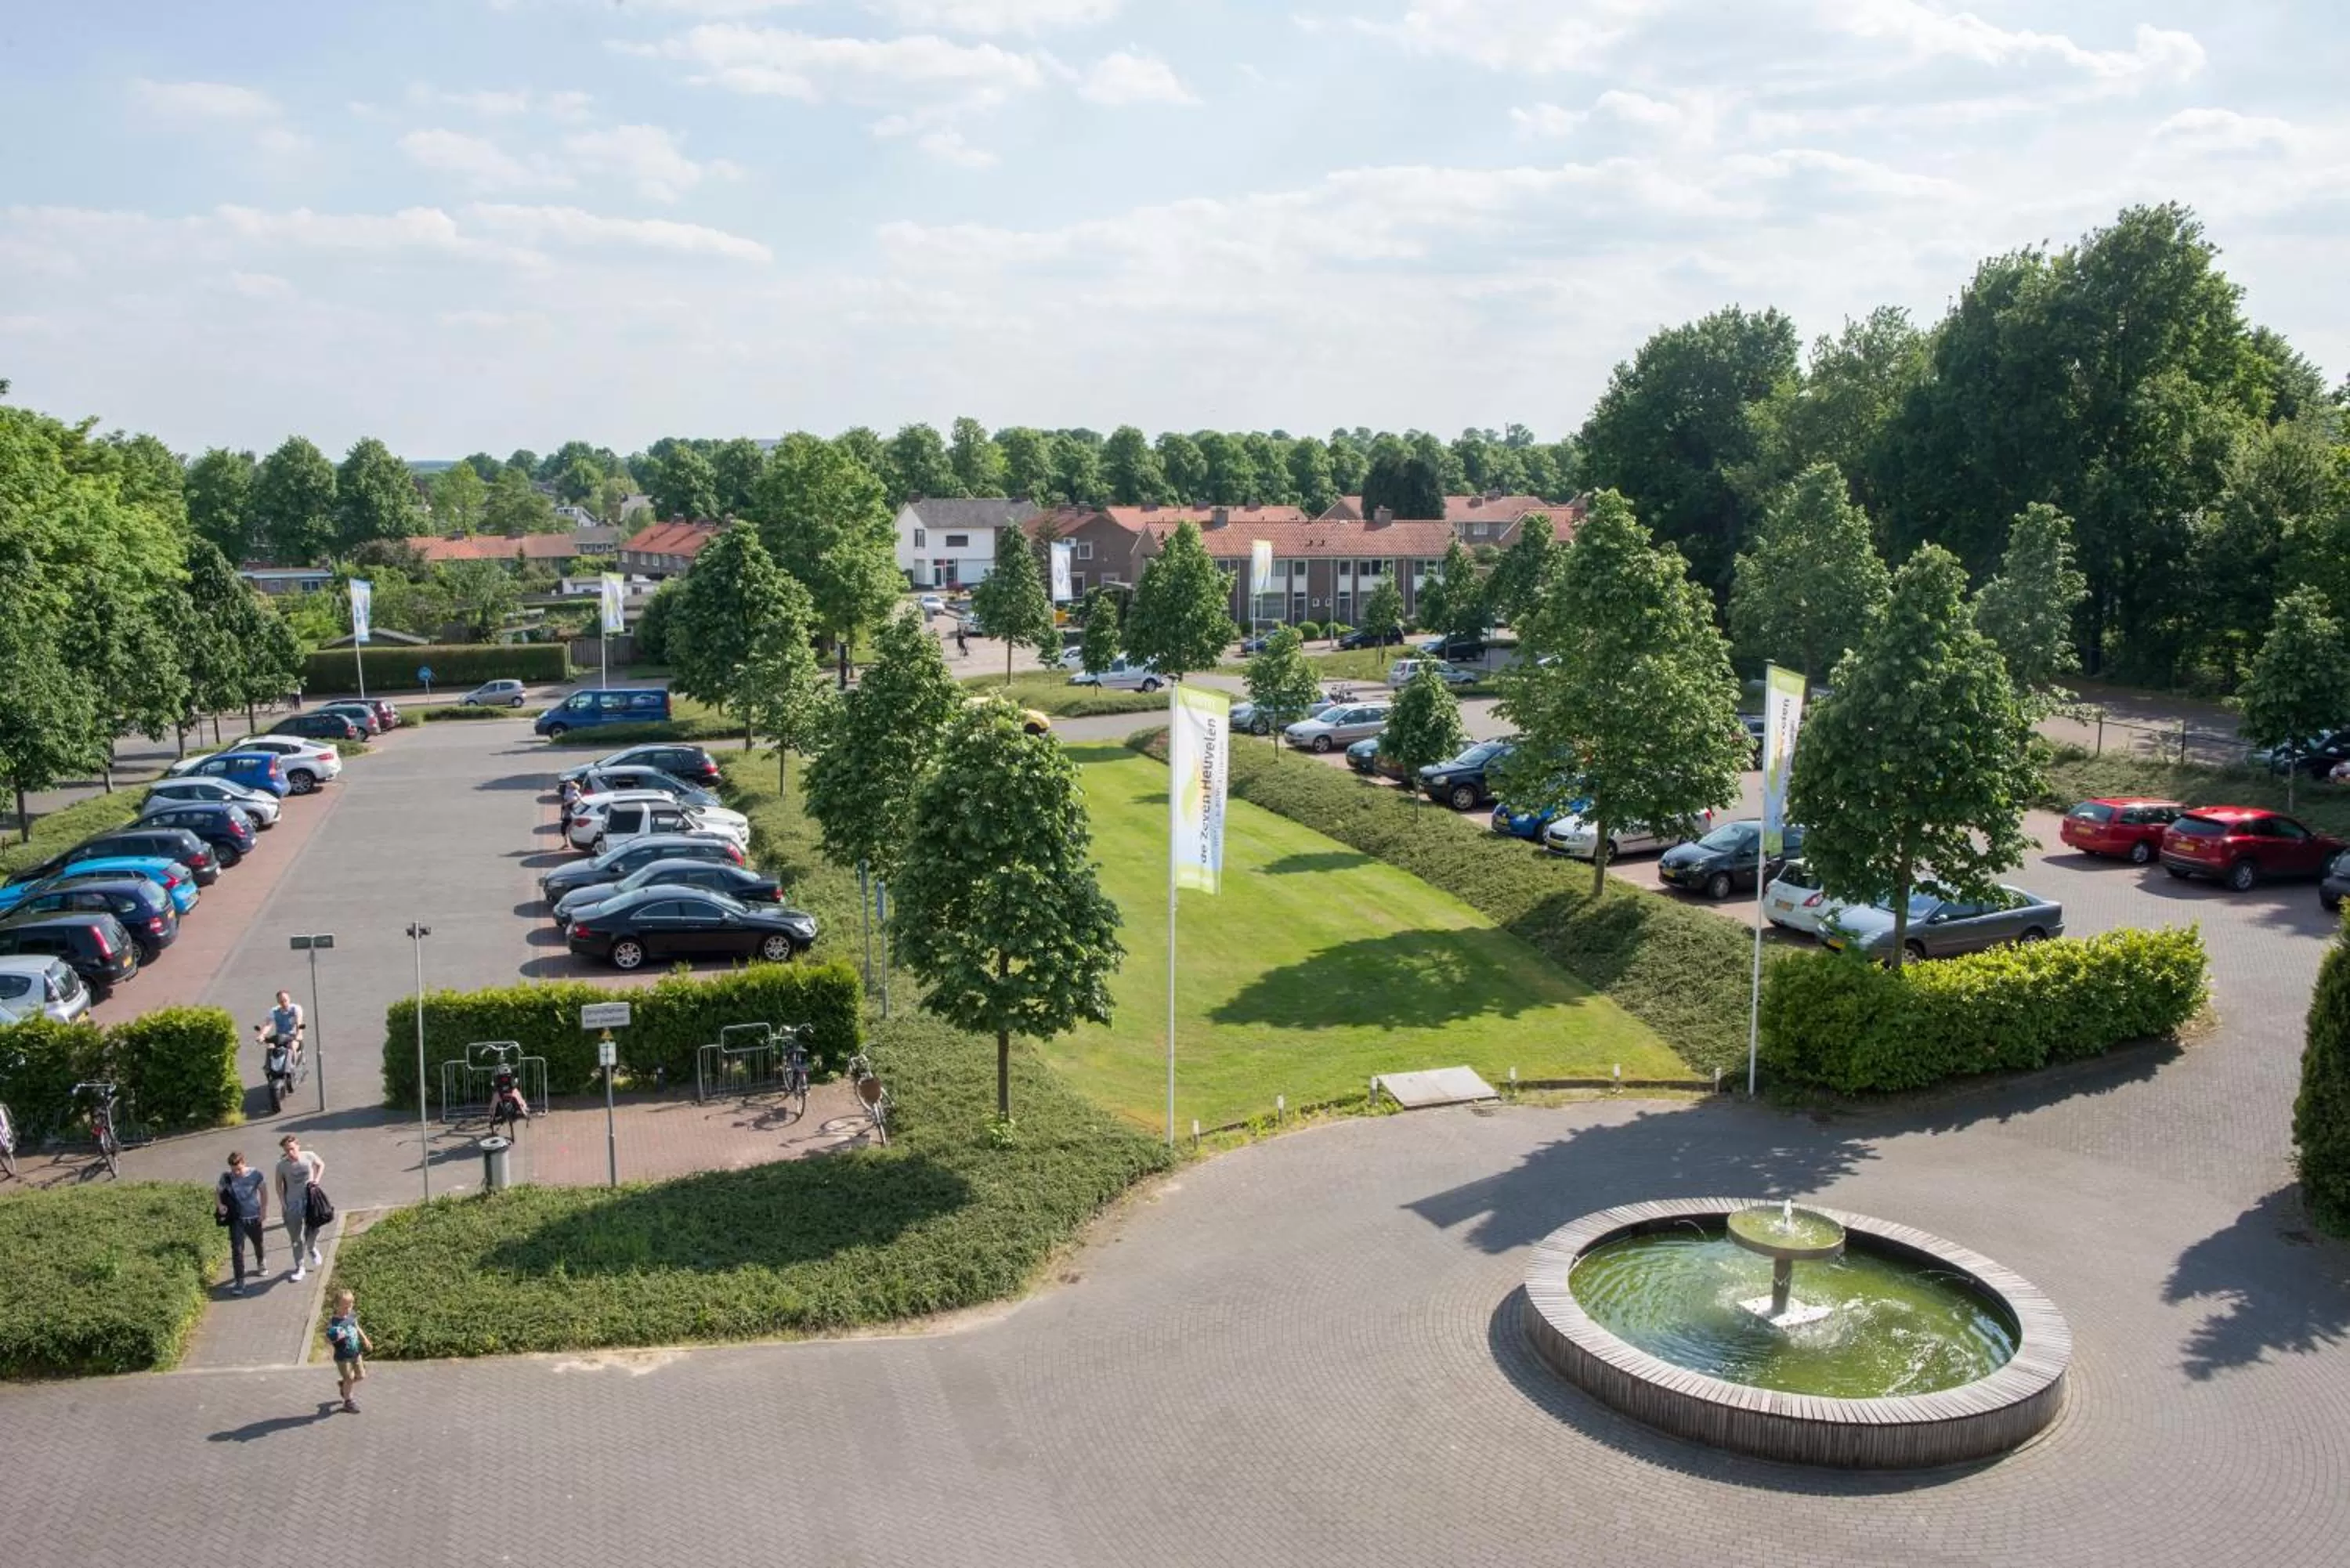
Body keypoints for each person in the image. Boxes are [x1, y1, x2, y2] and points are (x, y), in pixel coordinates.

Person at [275, 1133, 326, 1281]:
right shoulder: (281, 1165)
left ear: (298, 1146)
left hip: (310, 1201)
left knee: (315, 1229)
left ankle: (311, 1248)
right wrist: (283, 1203)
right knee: (295, 1238)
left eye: (292, 1149)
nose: (290, 1153)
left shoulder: (309, 1156)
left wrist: (316, 1180)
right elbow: (278, 1185)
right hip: (292, 1204)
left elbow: (321, 1164)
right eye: (287, 1150)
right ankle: (300, 1267)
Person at [216, 1151, 269, 1295]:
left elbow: (263, 1192)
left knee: (258, 1243)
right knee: (237, 1250)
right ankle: (240, 1282)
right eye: (234, 1170)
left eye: (239, 1169)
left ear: (244, 1163)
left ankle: (261, 1262)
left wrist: (263, 1210)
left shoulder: (255, 1174)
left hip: (253, 1217)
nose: (237, 1173)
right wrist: (220, 1205)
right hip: (236, 1219)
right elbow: (218, 1192)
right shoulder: (226, 1177)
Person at [327, 1289, 371, 1413]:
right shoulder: (334, 1322)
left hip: (355, 1353)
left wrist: (365, 1340)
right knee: (350, 1378)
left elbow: (357, 1327)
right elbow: (329, 1339)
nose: (348, 1308)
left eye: (350, 1305)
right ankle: (348, 1402)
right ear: (337, 1305)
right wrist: (335, 1338)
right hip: (342, 1357)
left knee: (361, 1376)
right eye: (345, 1306)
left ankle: (343, 1384)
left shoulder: (352, 1315)